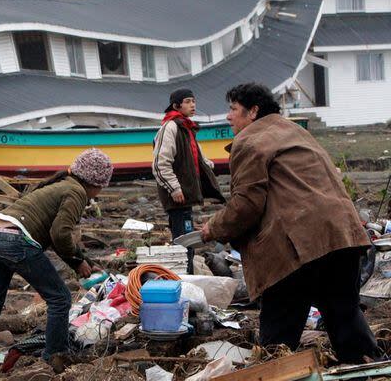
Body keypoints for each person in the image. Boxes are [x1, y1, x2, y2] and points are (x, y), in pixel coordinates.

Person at [201, 82, 380, 363]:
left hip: (297, 248)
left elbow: (246, 204)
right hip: (341, 237)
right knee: (345, 318)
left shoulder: (250, 141)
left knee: (278, 338)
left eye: (233, 109)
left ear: (253, 112)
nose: (228, 116)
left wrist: (213, 227)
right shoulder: (297, 132)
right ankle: (371, 369)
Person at [0, 148, 114, 381]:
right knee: (60, 299)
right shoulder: (76, 191)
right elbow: (60, 233)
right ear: (95, 182)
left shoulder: (59, 185)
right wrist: (77, 262)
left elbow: (57, 234)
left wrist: (82, 260)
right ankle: (55, 358)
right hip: (15, 241)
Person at [152, 88, 224, 273]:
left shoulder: (186, 128)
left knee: (187, 241)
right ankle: (185, 277)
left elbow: (198, 158)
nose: (193, 105)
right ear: (176, 105)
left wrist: (209, 168)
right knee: (183, 242)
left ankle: (188, 274)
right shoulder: (170, 127)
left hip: (185, 198)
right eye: (188, 101)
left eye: (194, 101)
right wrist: (174, 188)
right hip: (177, 198)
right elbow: (161, 164)